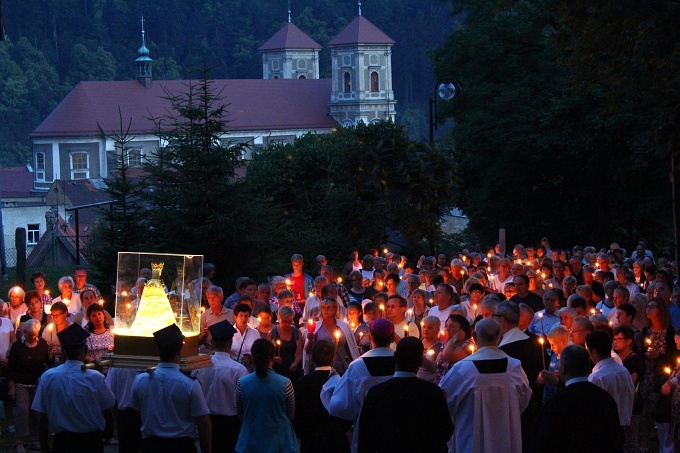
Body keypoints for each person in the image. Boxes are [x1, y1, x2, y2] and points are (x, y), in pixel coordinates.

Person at [440, 318, 531, 452]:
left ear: (474, 336)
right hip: (506, 440)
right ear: (500, 338)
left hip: (471, 441)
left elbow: (443, 402)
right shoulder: (515, 368)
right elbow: (524, 401)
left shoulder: (463, 370)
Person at [358, 337, 453, 453]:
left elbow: (365, 437)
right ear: (420, 362)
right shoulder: (433, 393)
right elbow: (446, 430)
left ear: (395, 358)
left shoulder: (376, 393)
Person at [31, 323, 116, 453]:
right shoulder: (95, 377)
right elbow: (107, 407)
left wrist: (44, 447)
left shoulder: (48, 377)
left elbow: (43, 416)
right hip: (91, 440)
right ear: (85, 350)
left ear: (63, 352)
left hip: (63, 442)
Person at [131, 323, 212, 453]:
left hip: (152, 445)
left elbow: (137, 409)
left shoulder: (140, 380)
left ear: (157, 350)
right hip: (180, 445)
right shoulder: (189, 384)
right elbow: (204, 423)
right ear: (180, 349)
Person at [321, 319, 397, 453]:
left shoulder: (358, 366)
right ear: (392, 337)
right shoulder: (401, 363)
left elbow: (341, 405)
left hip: (367, 428)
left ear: (370, 336)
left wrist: (333, 380)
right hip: (397, 428)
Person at [535, 345, 623, 452]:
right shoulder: (605, 399)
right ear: (588, 367)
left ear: (563, 368)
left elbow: (543, 443)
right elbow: (615, 440)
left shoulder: (556, 403)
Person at [193, 320, 248, 453]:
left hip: (207, 421)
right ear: (230, 343)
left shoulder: (201, 367)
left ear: (212, 343)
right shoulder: (239, 370)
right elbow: (244, 399)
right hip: (231, 424)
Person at [235, 338, 297, 453]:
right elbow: (290, 414)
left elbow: (240, 413)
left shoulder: (242, 383)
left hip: (250, 441)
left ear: (253, 358)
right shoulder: (285, 383)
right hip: (279, 442)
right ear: (272, 358)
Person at [293, 340, 351, 453]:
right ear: (333, 358)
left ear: (313, 359)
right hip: (337, 442)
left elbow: (297, 416)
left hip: (311, 443)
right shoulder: (343, 381)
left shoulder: (302, 383)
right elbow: (348, 413)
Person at [7, 319, 50, 453]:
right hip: (21, 383)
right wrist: (12, 387)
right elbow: (11, 368)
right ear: (24, 332)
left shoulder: (42, 343)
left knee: (36, 411)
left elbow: (47, 361)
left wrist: (51, 355)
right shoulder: (17, 347)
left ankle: (34, 439)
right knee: (22, 410)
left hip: (37, 382)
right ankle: (19, 441)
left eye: (35, 334)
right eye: (30, 334)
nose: (33, 337)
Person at [586, 331, 635, 427]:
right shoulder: (624, 371)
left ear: (594, 352)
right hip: (622, 427)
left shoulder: (597, 377)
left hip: (604, 429)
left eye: (588, 350)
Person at [305, 298, 360, 376]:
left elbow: (350, 347)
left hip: (341, 364)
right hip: (323, 365)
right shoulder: (316, 327)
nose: (325, 310)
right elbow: (308, 351)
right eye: (323, 307)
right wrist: (310, 340)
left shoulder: (343, 326)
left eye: (328, 307)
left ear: (335, 309)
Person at [105, 366, 143, 453]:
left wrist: (116, 423)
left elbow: (111, 395)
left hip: (127, 417)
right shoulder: (118, 364)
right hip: (144, 414)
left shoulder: (118, 364)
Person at [268, 306, 304, 381]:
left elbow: (299, 352)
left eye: (289, 321)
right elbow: (269, 353)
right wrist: (274, 358)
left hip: (293, 369)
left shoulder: (296, 333)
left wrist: (296, 363)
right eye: (284, 321)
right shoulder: (272, 333)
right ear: (279, 319)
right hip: (278, 369)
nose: (287, 324)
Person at [437, 314, 474, 383]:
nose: (447, 329)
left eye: (452, 326)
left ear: (462, 330)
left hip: (455, 385)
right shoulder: (447, 343)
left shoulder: (467, 345)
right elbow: (438, 362)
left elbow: (446, 356)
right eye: (446, 326)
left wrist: (454, 338)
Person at [198, 285, 235, 353]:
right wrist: (204, 336)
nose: (211, 300)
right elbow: (198, 340)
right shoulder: (204, 315)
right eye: (209, 298)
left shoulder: (231, 314)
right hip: (210, 351)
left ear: (221, 297)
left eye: (214, 297)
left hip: (227, 351)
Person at [230, 303, 259, 371]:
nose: (244, 318)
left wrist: (249, 357)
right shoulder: (229, 332)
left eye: (246, 316)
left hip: (250, 369)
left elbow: (259, 351)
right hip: (233, 369)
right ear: (235, 317)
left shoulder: (255, 333)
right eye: (241, 316)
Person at [40, 301, 71, 365]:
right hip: (53, 362)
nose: (55, 318)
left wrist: (61, 351)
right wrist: (48, 347)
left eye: (57, 315)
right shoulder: (48, 329)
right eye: (53, 315)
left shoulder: (72, 328)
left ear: (65, 313)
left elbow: (76, 350)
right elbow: (42, 345)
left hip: (69, 361)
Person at [418, 315, 443, 383]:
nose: (425, 330)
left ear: (437, 330)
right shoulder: (418, 343)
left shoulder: (440, 347)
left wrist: (420, 356)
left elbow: (434, 368)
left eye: (430, 328)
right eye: (424, 327)